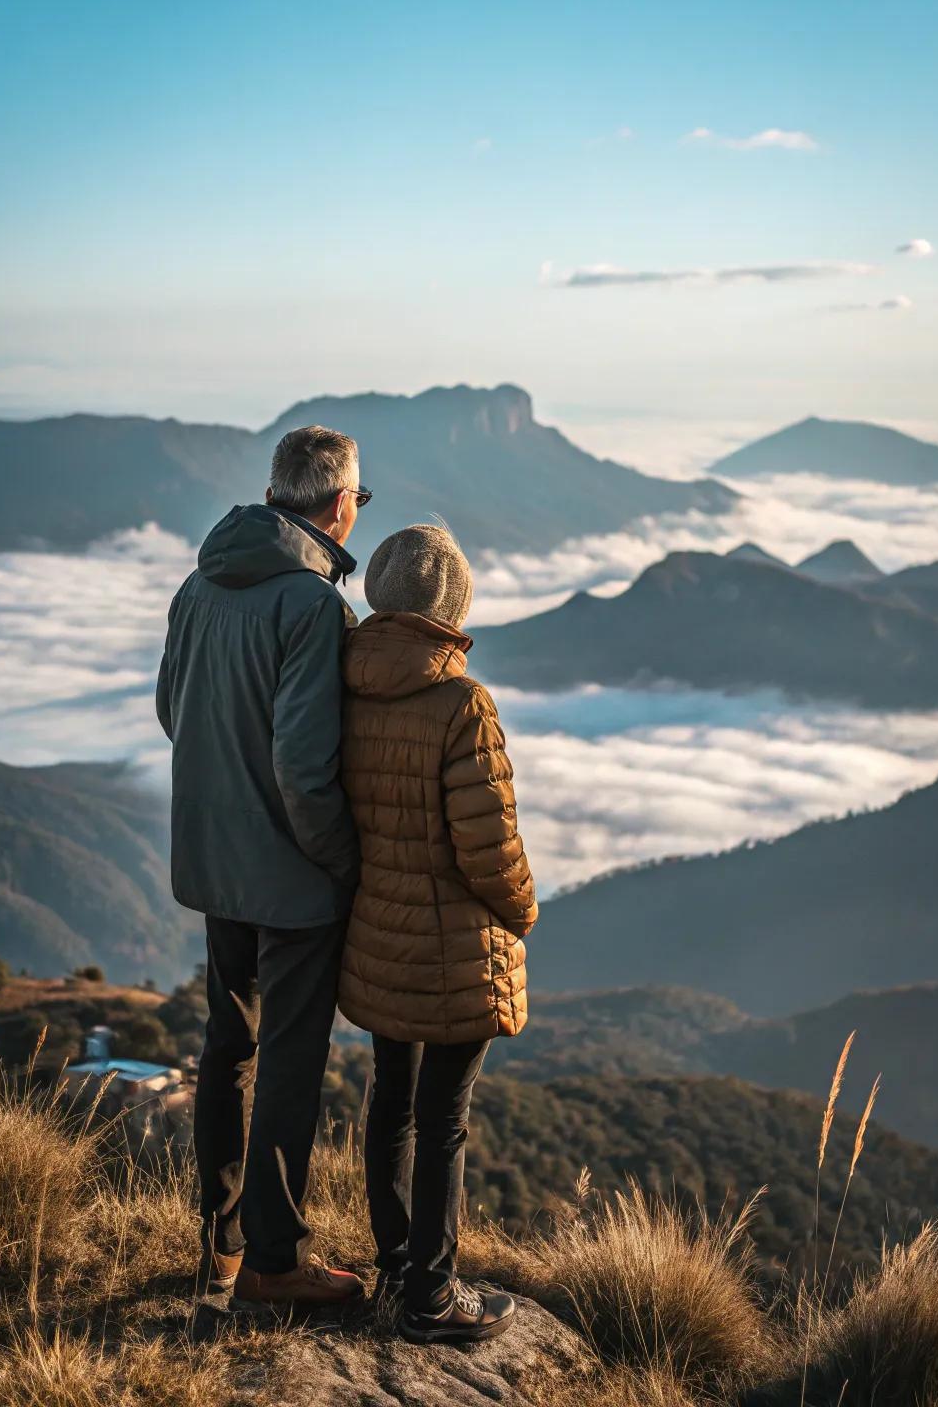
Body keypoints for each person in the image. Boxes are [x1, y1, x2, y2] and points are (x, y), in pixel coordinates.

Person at [155, 425, 371, 1310]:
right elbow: (304, 768)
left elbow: (174, 707)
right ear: (339, 502)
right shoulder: (314, 606)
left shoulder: (200, 581)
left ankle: (222, 1245)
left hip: (212, 858)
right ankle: (276, 1266)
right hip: (291, 876)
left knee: (226, 1049)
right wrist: (342, 863)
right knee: (288, 1059)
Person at [338, 524, 538, 1344]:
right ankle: (430, 1299)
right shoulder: (463, 702)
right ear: (452, 605)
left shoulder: (340, 684)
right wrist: (521, 912)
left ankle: (395, 1268)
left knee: (391, 1101)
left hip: (376, 935)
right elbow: (488, 848)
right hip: (454, 945)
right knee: (444, 1118)